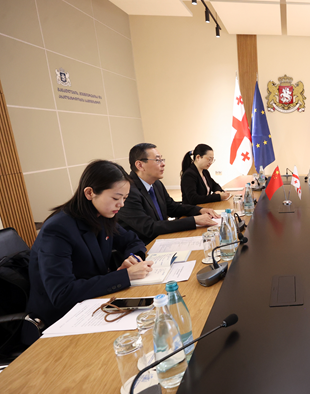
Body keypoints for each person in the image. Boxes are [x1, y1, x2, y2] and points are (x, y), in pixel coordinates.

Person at [25, 160, 153, 338]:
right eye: (116, 198)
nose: (121, 204)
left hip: (93, 303)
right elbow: (62, 294)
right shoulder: (58, 229)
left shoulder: (103, 215)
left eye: (124, 198)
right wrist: (125, 276)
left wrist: (134, 258)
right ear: (89, 193)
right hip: (61, 318)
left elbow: (132, 240)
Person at [117, 143, 220, 245]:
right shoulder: (128, 192)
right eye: (157, 160)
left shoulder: (156, 184)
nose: (163, 164)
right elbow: (149, 227)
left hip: (163, 238)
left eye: (162, 159)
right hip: (146, 245)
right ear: (140, 165)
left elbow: (172, 207)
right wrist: (193, 220)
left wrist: (199, 210)